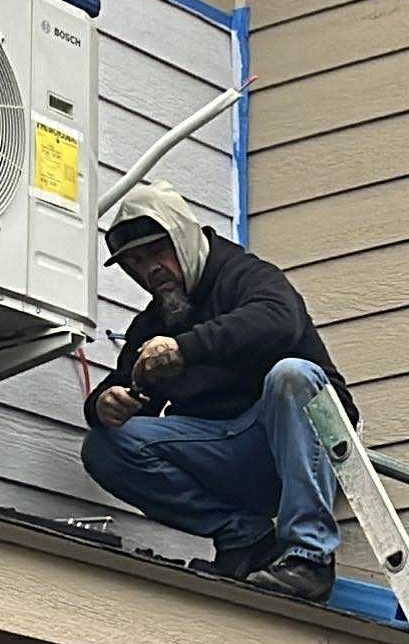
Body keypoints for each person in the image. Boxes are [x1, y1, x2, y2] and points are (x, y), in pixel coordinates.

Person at [80, 181, 361, 603]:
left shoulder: (246, 276)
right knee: (105, 445)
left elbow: (277, 322)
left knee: (292, 376)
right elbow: (129, 390)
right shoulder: (152, 325)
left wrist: (185, 349)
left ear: (184, 236)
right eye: (135, 262)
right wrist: (105, 404)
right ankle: (245, 539)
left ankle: (309, 558)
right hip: (226, 453)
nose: (149, 269)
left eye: (158, 251)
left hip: (304, 445)